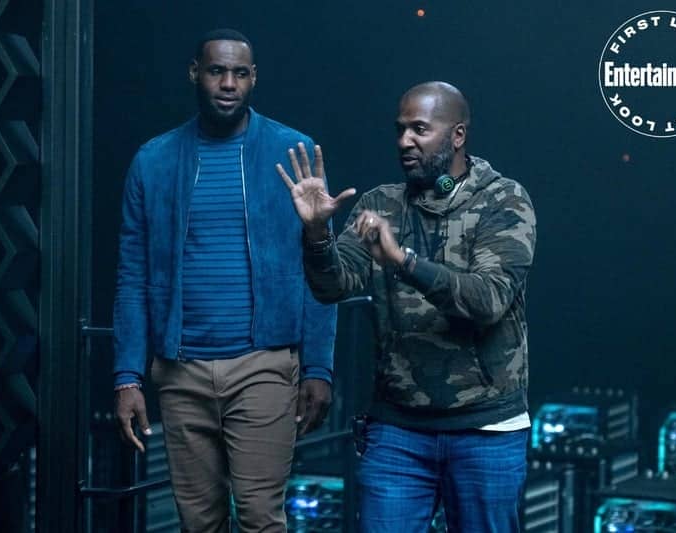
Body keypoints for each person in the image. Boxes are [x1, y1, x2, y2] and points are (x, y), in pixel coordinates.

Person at [277, 81, 536, 532]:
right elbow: (333, 286)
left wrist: (403, 261)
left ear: (457, 135)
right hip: (398, 430)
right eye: (400, 130)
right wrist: (317, 234)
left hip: (486, 429)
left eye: (419, 129)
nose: (404, 141)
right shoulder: (380, 204)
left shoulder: (504, 200)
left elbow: (488, 299)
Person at [112, 28, 337, 533]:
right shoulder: (153, 161)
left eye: (240, 73)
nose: (228, 84)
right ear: (195, 73)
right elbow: (132, 277)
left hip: (263, 364)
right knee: (199, 523)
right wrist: (127, 377)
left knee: (260, 518)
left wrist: (319, 367)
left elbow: (321, 269)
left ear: (254, 78)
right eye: (217, 71)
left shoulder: (293, 152)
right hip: (181, 370)